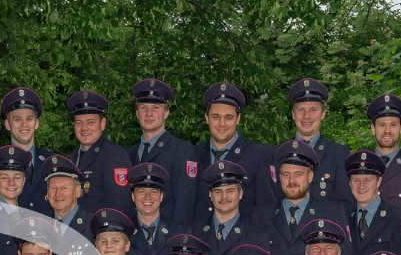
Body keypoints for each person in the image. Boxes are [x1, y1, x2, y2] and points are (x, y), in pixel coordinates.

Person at [257, 139, 349, 255]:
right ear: (279, 177)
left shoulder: (332, 213)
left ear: (310, 177)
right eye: (286, 175)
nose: (291, 181)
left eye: (298, 174)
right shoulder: (262, 216)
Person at [195, 81, 273, 220]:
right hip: (201, 240)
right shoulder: (192, 155)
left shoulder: (261, 155)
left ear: (238, 119)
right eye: (216, 117)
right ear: (207, 118)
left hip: (244, 240)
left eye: (228, 117)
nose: (222, 124)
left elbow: (267, 210)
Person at [128, 78, 197, 225]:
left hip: (168, 237)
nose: (149, 114)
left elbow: (184, 203)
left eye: (156, 108)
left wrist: (176, 241)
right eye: (143, 108)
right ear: (136, 113)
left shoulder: (181, 150)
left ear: (166, 113)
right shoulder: (129, 154)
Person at [67, 89, 133, 215]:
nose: (84, 128)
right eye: (79, 122)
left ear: (102, 124)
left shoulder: (114, 154)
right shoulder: (74, 155)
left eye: (90, 122)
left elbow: (119, 207)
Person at [287, 77, 350, 206]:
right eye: (301, 110)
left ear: (323, 114)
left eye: (313, 110)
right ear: (293, 114)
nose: (306, 116)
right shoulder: (277, 154)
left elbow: (345, 204)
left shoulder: (338, 154)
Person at [345, 150, 401, 255]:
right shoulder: (344, 219)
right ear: (350, 183)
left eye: (368, 180)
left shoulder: (400, 219)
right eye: (356, 180)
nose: (361, 186)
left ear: (378, 181)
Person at [126, 162, 178, 255]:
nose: (147, 197)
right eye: (141, 191)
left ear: (161, 196)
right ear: (133, 196)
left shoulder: (179, 233)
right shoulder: (122, 234)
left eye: (154, 192)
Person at [0, 87, 50, 209]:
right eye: (17, 119)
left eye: (29, 119)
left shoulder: (51, 161)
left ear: (36, 123)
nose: (24, 124)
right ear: (7, 124)